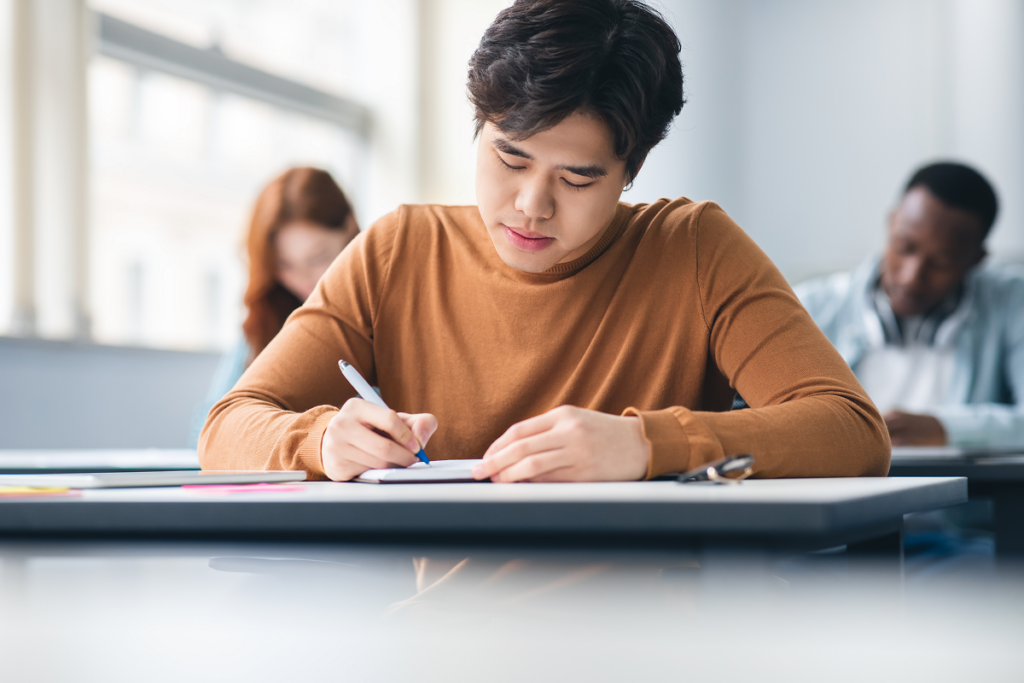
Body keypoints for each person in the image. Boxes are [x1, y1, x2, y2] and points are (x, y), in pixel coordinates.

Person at [200, 0, 888, 482]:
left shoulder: (695, 248)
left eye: (580, 177)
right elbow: (227, 427)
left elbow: (852, 430)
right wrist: (322, 440)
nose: (532, 206)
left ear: (630, 171)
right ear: (479, 131)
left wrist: (646, 443)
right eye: (510, 159)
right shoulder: (398, 250)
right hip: (445, 637)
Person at [796, 162, 1024, 448]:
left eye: (941, 262)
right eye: (905, 247)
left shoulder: (1012, 302)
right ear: (891, 222)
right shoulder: (807, 307)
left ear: (975, 260)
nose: (911, 277)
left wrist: (946, 429)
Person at [191, 167, 359, 443]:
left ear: (349, 228)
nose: (303, 279)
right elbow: (205, 431)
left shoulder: (385, 311)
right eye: (284, 264)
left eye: (317, 257)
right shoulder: (265, 318)